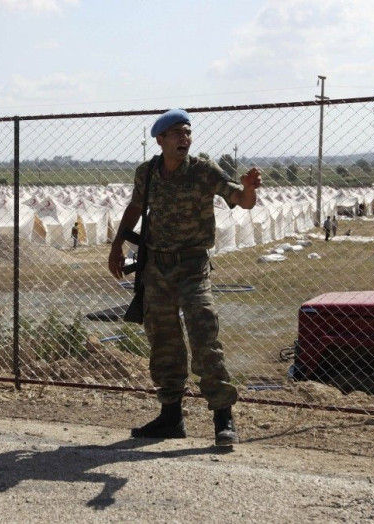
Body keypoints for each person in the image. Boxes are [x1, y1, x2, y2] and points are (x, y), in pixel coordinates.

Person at [108, 108, 262, 446]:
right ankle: (170, 417)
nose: (184, 138)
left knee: (203, 331)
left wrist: (250, 189)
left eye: (187, 132)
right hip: (156, 269)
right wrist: (117, 243)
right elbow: (135, 207)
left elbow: (239, 198)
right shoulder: (147, 173)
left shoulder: (204, 171)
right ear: (160, 140)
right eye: (177, 133)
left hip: (192, 266)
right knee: (163, 340)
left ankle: (223, 417)